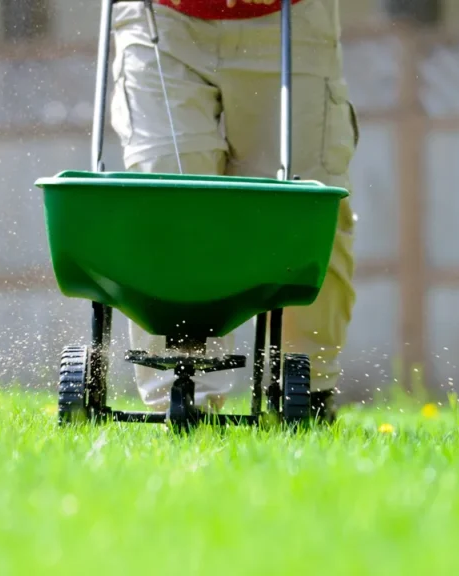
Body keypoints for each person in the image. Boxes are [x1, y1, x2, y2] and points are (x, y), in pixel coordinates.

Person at [108, 0, 359, 421]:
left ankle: (306, 389)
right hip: (162, 19)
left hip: (288, 19)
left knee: (307, 206)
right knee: (171, 198)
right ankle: (183, 392)